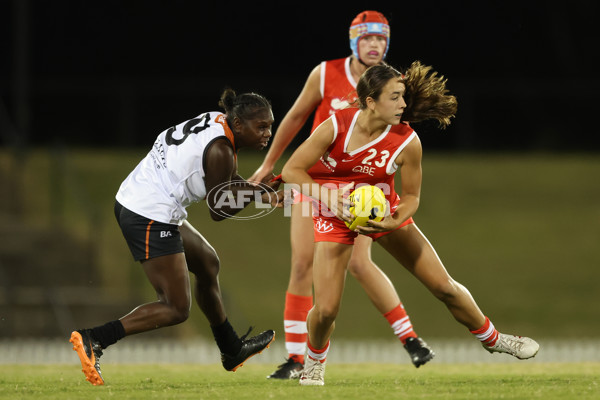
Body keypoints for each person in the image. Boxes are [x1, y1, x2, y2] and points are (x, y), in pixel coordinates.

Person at [281, 62, 540, 386]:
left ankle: (494, 339)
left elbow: (412, 196)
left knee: (444, 286)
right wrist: (330, 200)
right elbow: (292, 171)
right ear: (371, 101)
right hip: (334, 213)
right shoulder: (336, 126)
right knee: (327, 309)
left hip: (383, 213)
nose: (403, 104)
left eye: (403, 96)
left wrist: (394, 218)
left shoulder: (407, 141)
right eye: (394, 97)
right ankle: (315, 362)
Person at [249, 10, 434, 380]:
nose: (374, 44)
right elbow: (295, 118)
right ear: (353, 41)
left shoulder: (392, 84)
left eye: (381, 38)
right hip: (315, 179)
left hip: (363, 188)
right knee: (301, 264)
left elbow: (401, 137)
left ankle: (409, 338)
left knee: (359, 263)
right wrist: (269, 165)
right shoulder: (326, 73)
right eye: (367, 38)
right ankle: (297, 358)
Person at [69, 88, 281, 386]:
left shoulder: (218, 122)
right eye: (261, 127)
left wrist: (258, 189)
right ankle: (95, 338)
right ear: (237, 125)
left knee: (208, 263)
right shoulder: (220, 149)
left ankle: (231, 349)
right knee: (175, 307)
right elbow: (218, 210)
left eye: (270, 126)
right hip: (148, 212)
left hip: (145, 199)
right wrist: (261, 191)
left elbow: (225, 181)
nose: (268, 133)